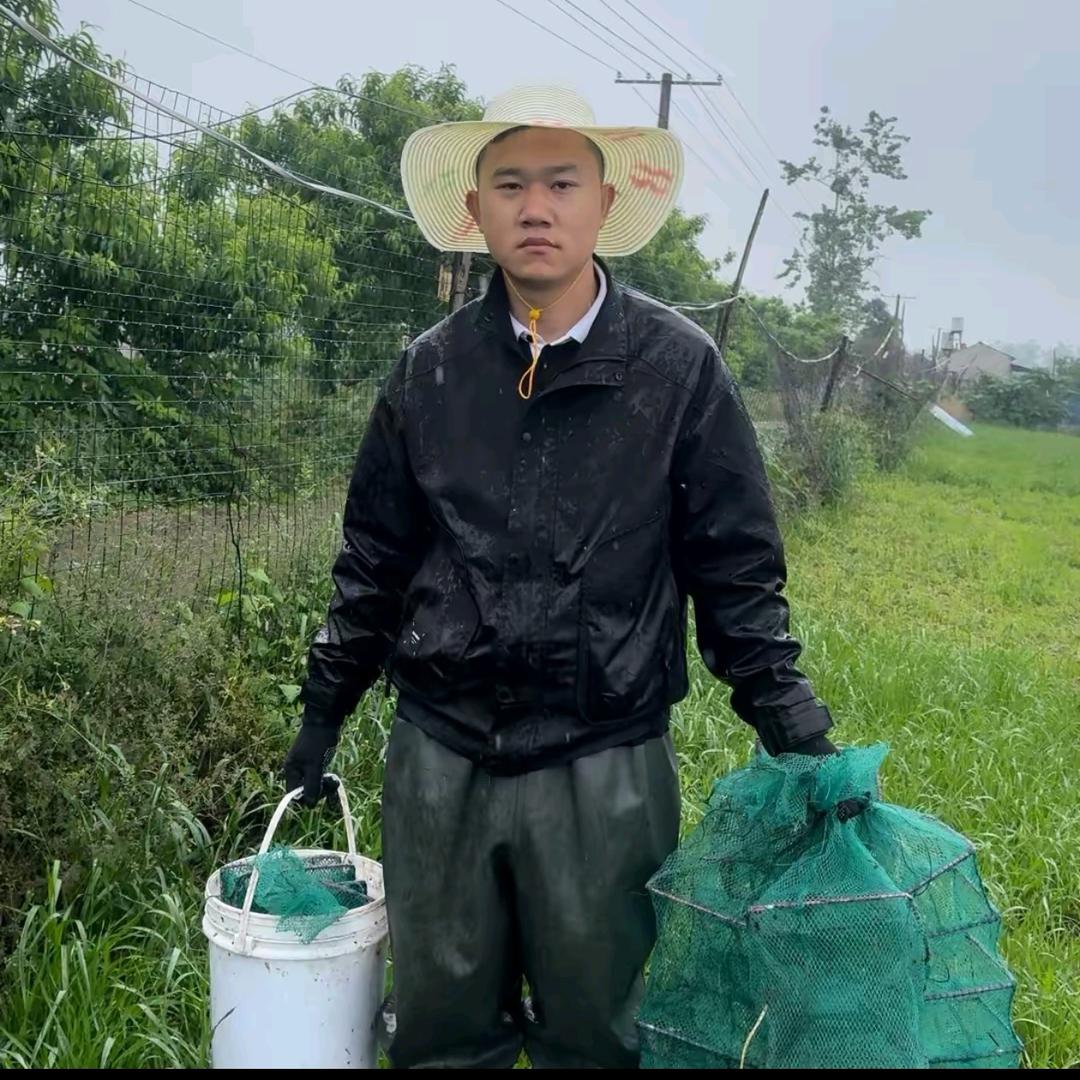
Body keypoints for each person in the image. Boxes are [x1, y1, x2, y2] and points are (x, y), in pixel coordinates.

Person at [284, 86, 838, 1069]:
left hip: (606, 761)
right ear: (478, 210)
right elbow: (373, 559)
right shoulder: (430, 373)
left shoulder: (678, 371)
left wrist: (789, 717)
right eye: (510, 185)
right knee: (442, 1032)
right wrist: (322, 714)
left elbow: (736, 566)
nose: (535, 207)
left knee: (603, 1033)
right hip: (441, 755)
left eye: (560, 183)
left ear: (599, 204)